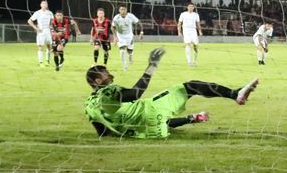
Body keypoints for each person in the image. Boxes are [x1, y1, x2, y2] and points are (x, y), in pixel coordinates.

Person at [84, 47, 259, 139]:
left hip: (141, 129)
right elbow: (135, 94)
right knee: (191, 86)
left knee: (159, 120)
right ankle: (235, 94)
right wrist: (151, 65)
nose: (110, 75)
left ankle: (191, 118)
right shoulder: (108, 91)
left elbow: (102, 133)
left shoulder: (89, 106)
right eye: (105, 73)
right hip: (148, 109)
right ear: (98, 81)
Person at [112, 5, 142, 72]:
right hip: (120, 36)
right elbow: (112, 27)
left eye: (124, 9)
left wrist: (141, 32)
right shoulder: (116, 18)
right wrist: (115, 37)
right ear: (119, 10)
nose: (123, 11)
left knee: (130, 50)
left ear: (126, 10)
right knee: (122, 51)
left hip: (129, 36)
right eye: (121, 9)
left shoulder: (130, 16)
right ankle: (125, 66)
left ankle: (130, 55)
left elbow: (139, 22)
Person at [27, 0, 54, 68]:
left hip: (48, 31)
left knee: (49, 46)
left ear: (47, 5)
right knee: (40, 46)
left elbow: (53, 21)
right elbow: (29, 21)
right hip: (41, 32)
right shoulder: (38, 13)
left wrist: (51, 26)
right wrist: (35, 28)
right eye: (43, 3)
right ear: (40, 5)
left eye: (46, 4)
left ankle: (47, 61)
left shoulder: (50, 13)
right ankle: (41, 62)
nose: (44, 5)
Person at [177, 2, 203, 67]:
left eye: (192, 6)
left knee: (195, 46)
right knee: (187, 44)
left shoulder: (196, 15)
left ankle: (194, 61)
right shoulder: (183, 14)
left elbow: (198, 24)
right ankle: (189, 61)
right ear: (187, 7)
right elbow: (179, 23)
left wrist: (200, 31)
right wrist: (179, 32)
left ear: (193, 8)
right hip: (186, 31)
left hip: (193, 31)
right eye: (189, 6)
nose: (191, 7)